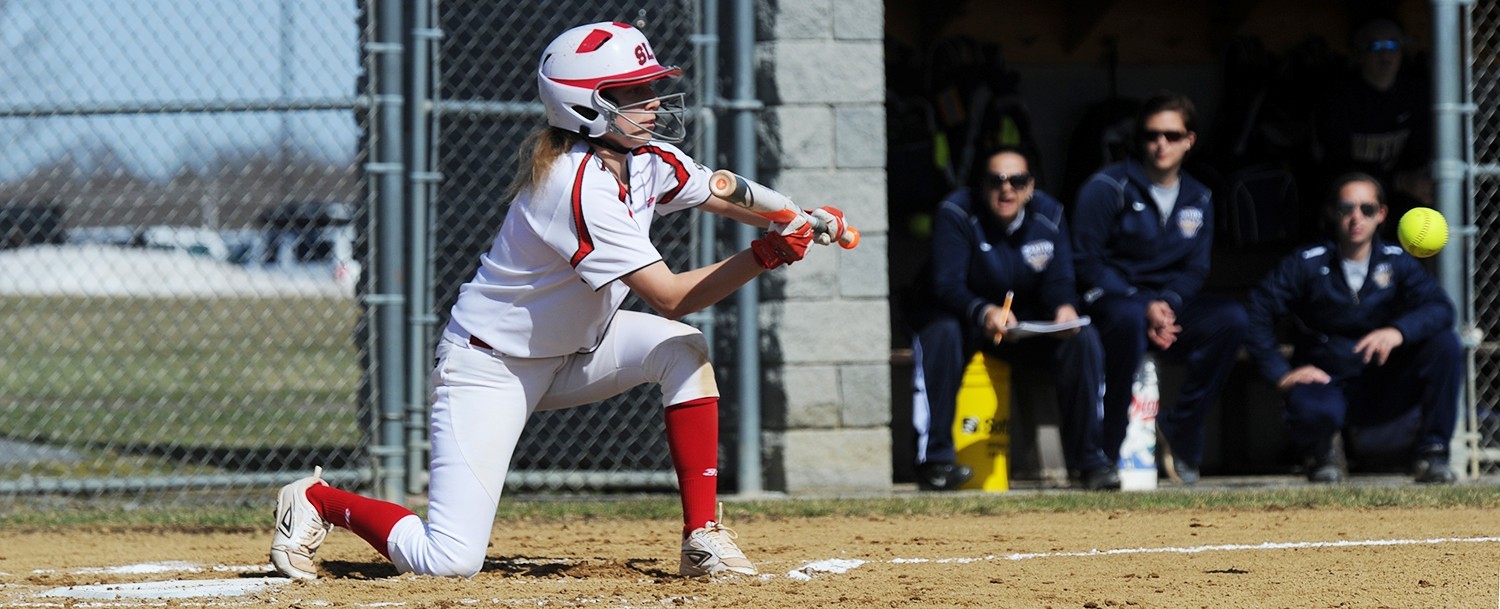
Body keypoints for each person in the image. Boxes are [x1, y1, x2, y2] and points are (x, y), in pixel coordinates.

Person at [269, 21, 850, 580]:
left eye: (650, 87)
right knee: (447, 560)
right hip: (490, 368)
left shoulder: (646, 159)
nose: (652, 101)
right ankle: (318, 500)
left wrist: (794, 213)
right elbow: (671, 297)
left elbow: (722, 190)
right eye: (632, 93)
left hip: (573, 353)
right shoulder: (574, 185)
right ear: (584, 106)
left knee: (682, 352)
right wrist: (769, 254)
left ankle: (703, 538)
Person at [909, 147, 1119, 491]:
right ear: (982, 186)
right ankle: (936, 461)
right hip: (966, 319)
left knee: (1082, 337)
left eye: (1017, 180)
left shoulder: (1050, 214)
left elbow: (1060, 280)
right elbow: (946, 285)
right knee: (941, 333)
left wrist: (1064, 308)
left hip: (1022, 327)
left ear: (1030, 186)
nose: (1007, 189)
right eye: (996, 180)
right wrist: (983, 311)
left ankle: (1091, 462)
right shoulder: (957, 211)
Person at [1071, 92, 1248, 485]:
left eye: (1172, 135)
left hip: (1165, 306)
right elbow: (1087, 261)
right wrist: (1143, 302)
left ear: (1190, 140)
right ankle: (1104, 453)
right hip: (1113, 301)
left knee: (1230, 320)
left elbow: (1196, 267)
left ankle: (1181, 430)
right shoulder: (1107, 186)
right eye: (1152, 135)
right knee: (1129, 319)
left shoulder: (1199, 196)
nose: (1161, 144)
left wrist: (1166, 303)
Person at [1244, 173, 1459, 484]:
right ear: (1333, 212)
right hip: (1326, 378)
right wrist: (1280, 373)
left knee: (1445, 344)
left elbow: (1441, 309)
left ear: (1381, 215)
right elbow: (1257, 309)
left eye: (1367, 209)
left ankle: (1432, 453)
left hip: (1379, 379)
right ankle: (1321, 455)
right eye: (1347, 208)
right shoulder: (1307, 262)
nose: (1357, 217)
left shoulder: (1397, 261)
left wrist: (1398, 331)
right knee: (1312, 404)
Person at [1315, 18, 1431, 242]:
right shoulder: (1340, 98)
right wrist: (1399, 181)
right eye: (1375, 46)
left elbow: (1421, 151)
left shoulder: (1414, 93)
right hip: (1353, 195)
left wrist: (1418, 181)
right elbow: (1336, 166)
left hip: (1400, 194)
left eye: (1392, 46)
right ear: (1359, 54)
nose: (1385, 55)